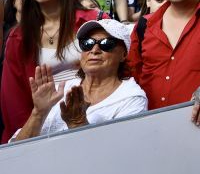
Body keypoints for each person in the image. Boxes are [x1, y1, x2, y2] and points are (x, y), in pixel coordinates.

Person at [0, 0, 99, 142]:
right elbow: (13, 96)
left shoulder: (94, 21)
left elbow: (120, 69)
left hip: (97, 111)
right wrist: (27, 135)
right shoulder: (18, 36)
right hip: (45, 120)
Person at [11, 19, 147, 141]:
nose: (94, 50)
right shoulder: (58, 91)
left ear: (124, 54)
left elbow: (120, 153)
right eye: (87, 43)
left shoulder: (132, 99)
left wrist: (78, 124)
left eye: (106, 44)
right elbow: (17, 149)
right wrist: (39, 112)